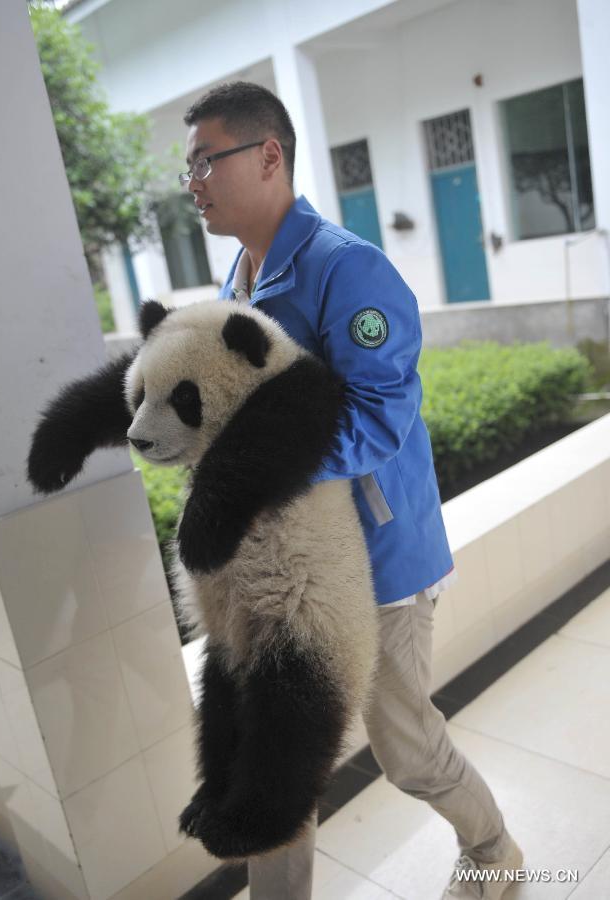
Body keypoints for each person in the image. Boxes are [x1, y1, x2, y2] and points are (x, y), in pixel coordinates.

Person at [180, 81, 523, 900]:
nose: (193, 182)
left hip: (378, 566)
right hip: (291, 575)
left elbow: (381, 418)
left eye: (204, 161)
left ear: (268, 156)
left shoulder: (347, 271)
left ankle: (495, 852)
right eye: (187, 168)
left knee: (403, 745)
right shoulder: (240, 276)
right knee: (276, 757)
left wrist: (253, 473)